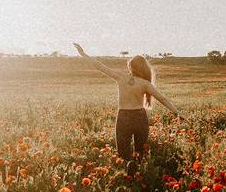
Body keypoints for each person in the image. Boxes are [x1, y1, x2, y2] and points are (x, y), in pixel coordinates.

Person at [74, 43, 184, 176]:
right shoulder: (145, 84)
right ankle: (138, 177)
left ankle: (129, 171)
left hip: (124, 117)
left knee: (123, 152)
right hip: (140, 117)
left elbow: (100, 66)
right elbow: (162, 99)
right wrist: (177, 112)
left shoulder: (121, 78)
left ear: (130, 67)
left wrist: (83, 54)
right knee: (140, 152)